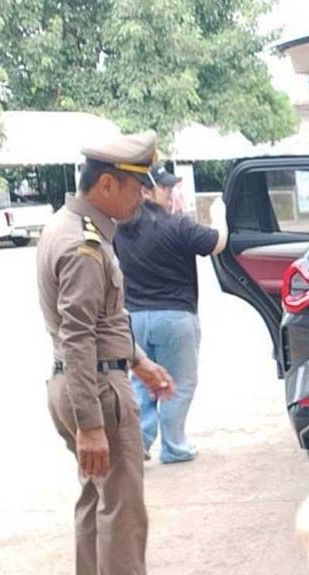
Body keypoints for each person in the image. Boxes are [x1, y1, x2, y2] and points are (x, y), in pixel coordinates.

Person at [36, 131, 183, 575]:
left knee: (94, 497)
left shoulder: (68, 226)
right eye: (135, 188)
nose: (141, 198)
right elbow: (79, 335)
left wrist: (139, 363)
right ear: (105, 184)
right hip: (93, 387)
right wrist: (93, 421)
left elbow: (99, 322)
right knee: (121, 506)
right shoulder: (84, 244)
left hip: (80, 379)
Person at [113, 164, 227, 464]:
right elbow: (218, 242)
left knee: (142, 381)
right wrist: (220, 217)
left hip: (135, 319)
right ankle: (175, 447)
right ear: (146, 191)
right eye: (166, 188)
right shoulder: (178, 226)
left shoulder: (121, 230)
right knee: (179, 383)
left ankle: (140, 444)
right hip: (176, 319)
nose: (172, 192)